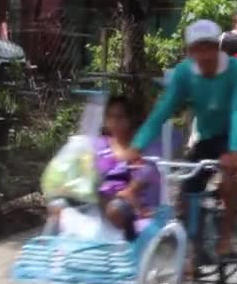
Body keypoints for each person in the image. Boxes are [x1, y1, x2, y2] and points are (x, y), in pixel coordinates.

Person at [123, 20, 237, 255]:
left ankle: (226, 238)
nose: (204, 54)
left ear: (218, 47)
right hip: (211, 135)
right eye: (198, 48)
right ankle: (192, 247)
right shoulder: (184, 73)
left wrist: (234, 152)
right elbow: (163, 110)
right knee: (187, 190)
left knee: (229, 179)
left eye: (209, 46)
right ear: (189, 50)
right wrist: (137, 145)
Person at [44, 96, 161, 241]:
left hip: (123, 203)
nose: (114, 122)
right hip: (96, 199)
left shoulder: (138, 147)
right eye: (110, 116)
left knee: (115, 208)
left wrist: (129, 193)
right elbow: (84, 173)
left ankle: (130, 248)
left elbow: (144, 177)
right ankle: (44, 252)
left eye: (119, 117)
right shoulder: (98, 144)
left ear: (129, 119)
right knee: (57, 205)